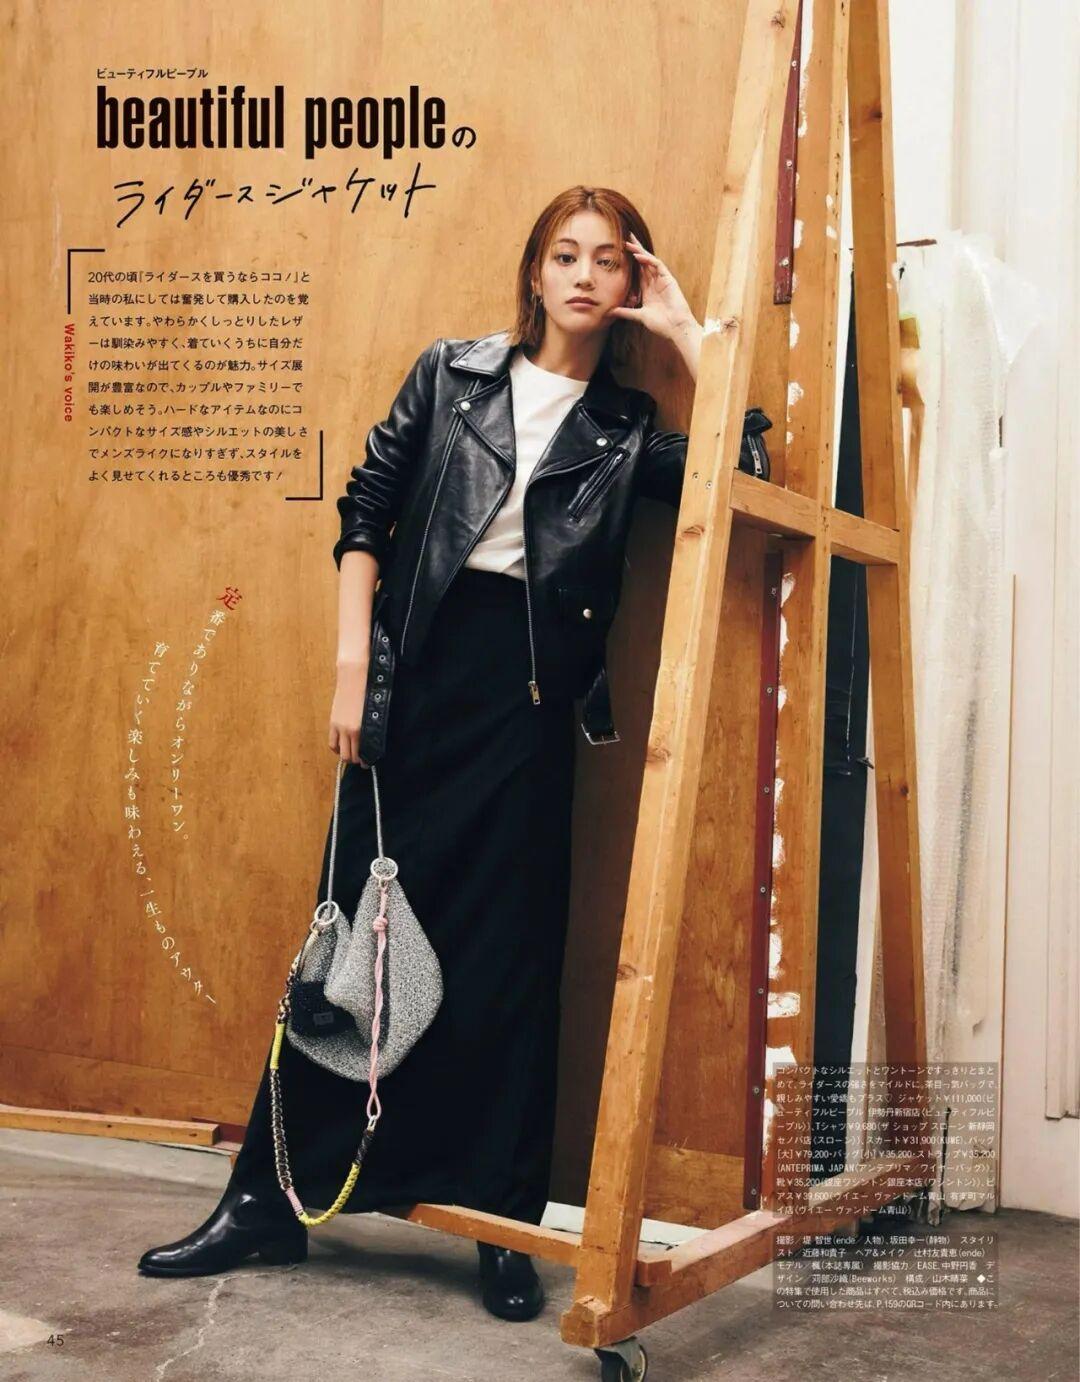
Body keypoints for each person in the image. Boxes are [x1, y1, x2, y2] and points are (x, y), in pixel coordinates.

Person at [137, 185, 702, 1320]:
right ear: (535, 270)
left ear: (629, 284)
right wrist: (355, 669)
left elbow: (742, 474)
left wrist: (691, 335)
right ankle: (269, 1199)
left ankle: (499, 1220)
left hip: (527, 707)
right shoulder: (453, 373)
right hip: (414, 683)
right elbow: (368, 510)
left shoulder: (627, 428)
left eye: (608, 261)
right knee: (349, 946)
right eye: (565, 255)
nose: (584, 276)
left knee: (507, 962)